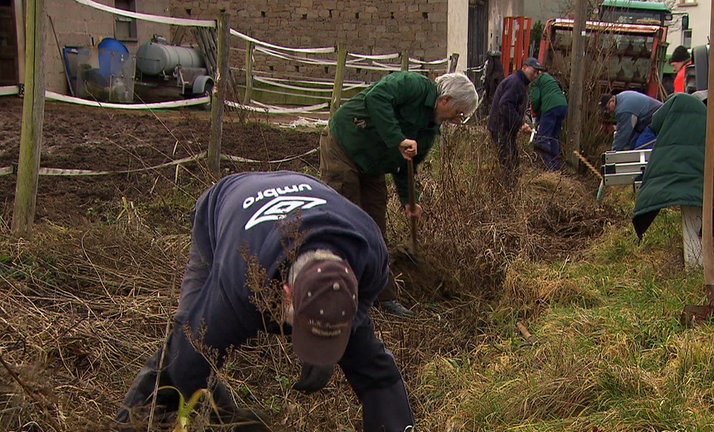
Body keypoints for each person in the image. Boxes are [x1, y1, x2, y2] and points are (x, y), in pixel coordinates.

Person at [116, 171, 415, 432]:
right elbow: (189, 363)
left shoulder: (371, 255)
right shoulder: (242, 280)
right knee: (183, 347)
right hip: (224, 207)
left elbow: (359, 313)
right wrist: (232, 420)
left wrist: (327, 345)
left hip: (305, 190)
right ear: (285, 292)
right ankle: (128, 426)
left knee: (372, 364)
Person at [320, 70, 479, 316]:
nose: (457, 121)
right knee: (346, 224)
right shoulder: (411, 85)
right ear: (445, 100)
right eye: (458, 114)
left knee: (375, 229)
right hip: (344, 147)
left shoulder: (429, 130)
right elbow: (375, 99)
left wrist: (408, 201)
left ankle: (383, 297)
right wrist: (397, 139)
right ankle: (337, 297)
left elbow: (407, 166)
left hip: (373, 164)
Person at [632, 93, 714, 240]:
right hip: (704, 182)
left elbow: (655, 125)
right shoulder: (704, 114)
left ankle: (696, 255)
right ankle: (699, 250)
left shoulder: (672, 110)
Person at [487, 57, 545, 184]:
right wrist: (520, 124)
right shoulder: (515, 82)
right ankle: (506, 193)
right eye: (534, 71)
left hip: (506, 129)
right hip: (501, 128)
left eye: (538, 73)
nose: (536, 75)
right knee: (508, 164)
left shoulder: (521, 83)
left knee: (512, 162)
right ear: (524, 67)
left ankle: (508, 191)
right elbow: (505, 105)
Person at [528, 71, 568, 170]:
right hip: (562, 105)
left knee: (543, 138)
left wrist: (536, 114)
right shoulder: (549, 78)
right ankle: (557, 167)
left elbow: (535, 100)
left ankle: (549, 168)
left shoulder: (534, 81)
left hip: (550, 107)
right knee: (554, 137)